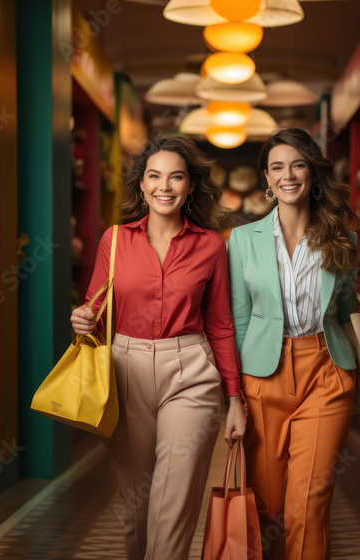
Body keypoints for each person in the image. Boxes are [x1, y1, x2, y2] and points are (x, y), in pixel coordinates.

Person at [70, 136, 248, 560]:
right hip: (124, 368)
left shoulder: (211, 246)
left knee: (176, 497)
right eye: (154, 175)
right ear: (142, 184)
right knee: (139, 500)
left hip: (190, 371)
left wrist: (234, 398)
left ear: (190, 187)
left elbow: (221, 325)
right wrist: (81, 321)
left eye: (176, 176)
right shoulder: (114, 241)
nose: (164, 186)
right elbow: (94, 311)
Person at [227, 128, 359, 560]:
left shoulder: (342, 238)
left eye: (298, 164)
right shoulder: (243, 241)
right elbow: (240, 321)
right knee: (268, 507)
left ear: (313, 174)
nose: (288, 175)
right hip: (262, 377)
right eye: (277, 167)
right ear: (266, 178)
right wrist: (236, 394)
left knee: (309, 503)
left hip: (326, 371)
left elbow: (344, 311)